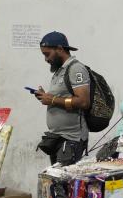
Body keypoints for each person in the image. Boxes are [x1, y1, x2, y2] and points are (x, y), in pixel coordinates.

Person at [33, 31, 91, 166]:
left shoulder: (76, 69)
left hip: (71, 139)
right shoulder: (59, 71)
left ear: (59, 49)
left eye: (47, 54)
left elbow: (83, 101)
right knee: (55, 181)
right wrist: (45, 96)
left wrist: (52, 100)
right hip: (57, 137)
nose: (46, 59)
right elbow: (60, 97)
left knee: (63, 183)